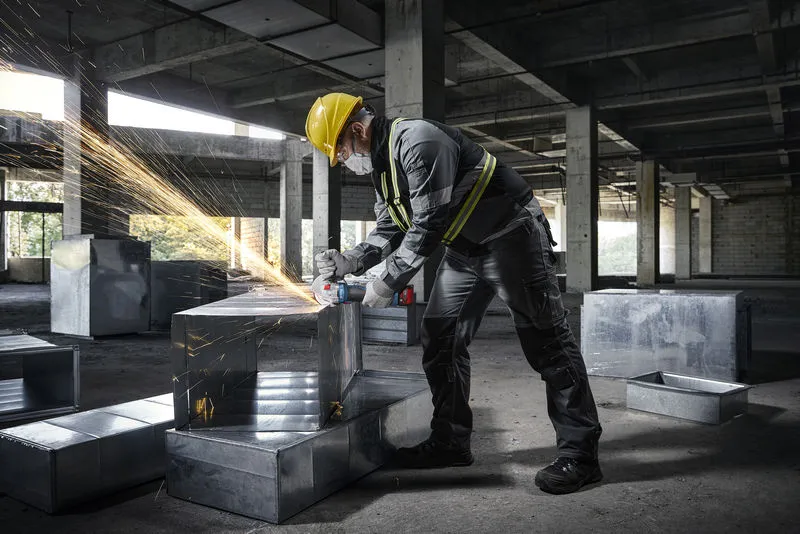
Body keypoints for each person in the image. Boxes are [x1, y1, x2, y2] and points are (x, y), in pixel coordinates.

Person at [306, 93, 603, 494]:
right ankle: (450, 442)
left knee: (547, 342)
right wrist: (351, 261)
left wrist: (387, 281)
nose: (344, 161)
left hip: (510, 237)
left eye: (341, 152)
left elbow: (428, 223)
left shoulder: (418, 141)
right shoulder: (383, 167)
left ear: (358, 130)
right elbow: (391, 225)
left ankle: (580, 456)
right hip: (464, 249)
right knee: (440, 337)